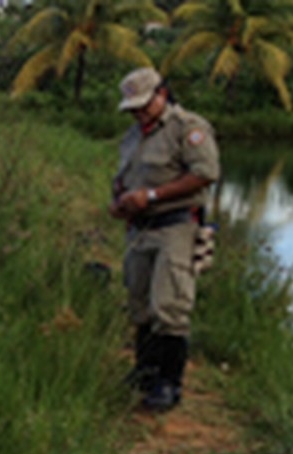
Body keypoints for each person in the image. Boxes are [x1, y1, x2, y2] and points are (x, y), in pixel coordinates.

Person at [110, 67, 220, 411]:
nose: (138, 112)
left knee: (168, 306)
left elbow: (205, 174)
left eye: (144, 105)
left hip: (176, 227)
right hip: (140, 229)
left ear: (162, 94)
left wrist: (153, 196)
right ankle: (145, 370)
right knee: (140, 304)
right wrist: (122, 202)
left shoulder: (187, 128)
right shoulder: (132, 136)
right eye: (133, 108)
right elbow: (127, 177)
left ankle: (168, 384)